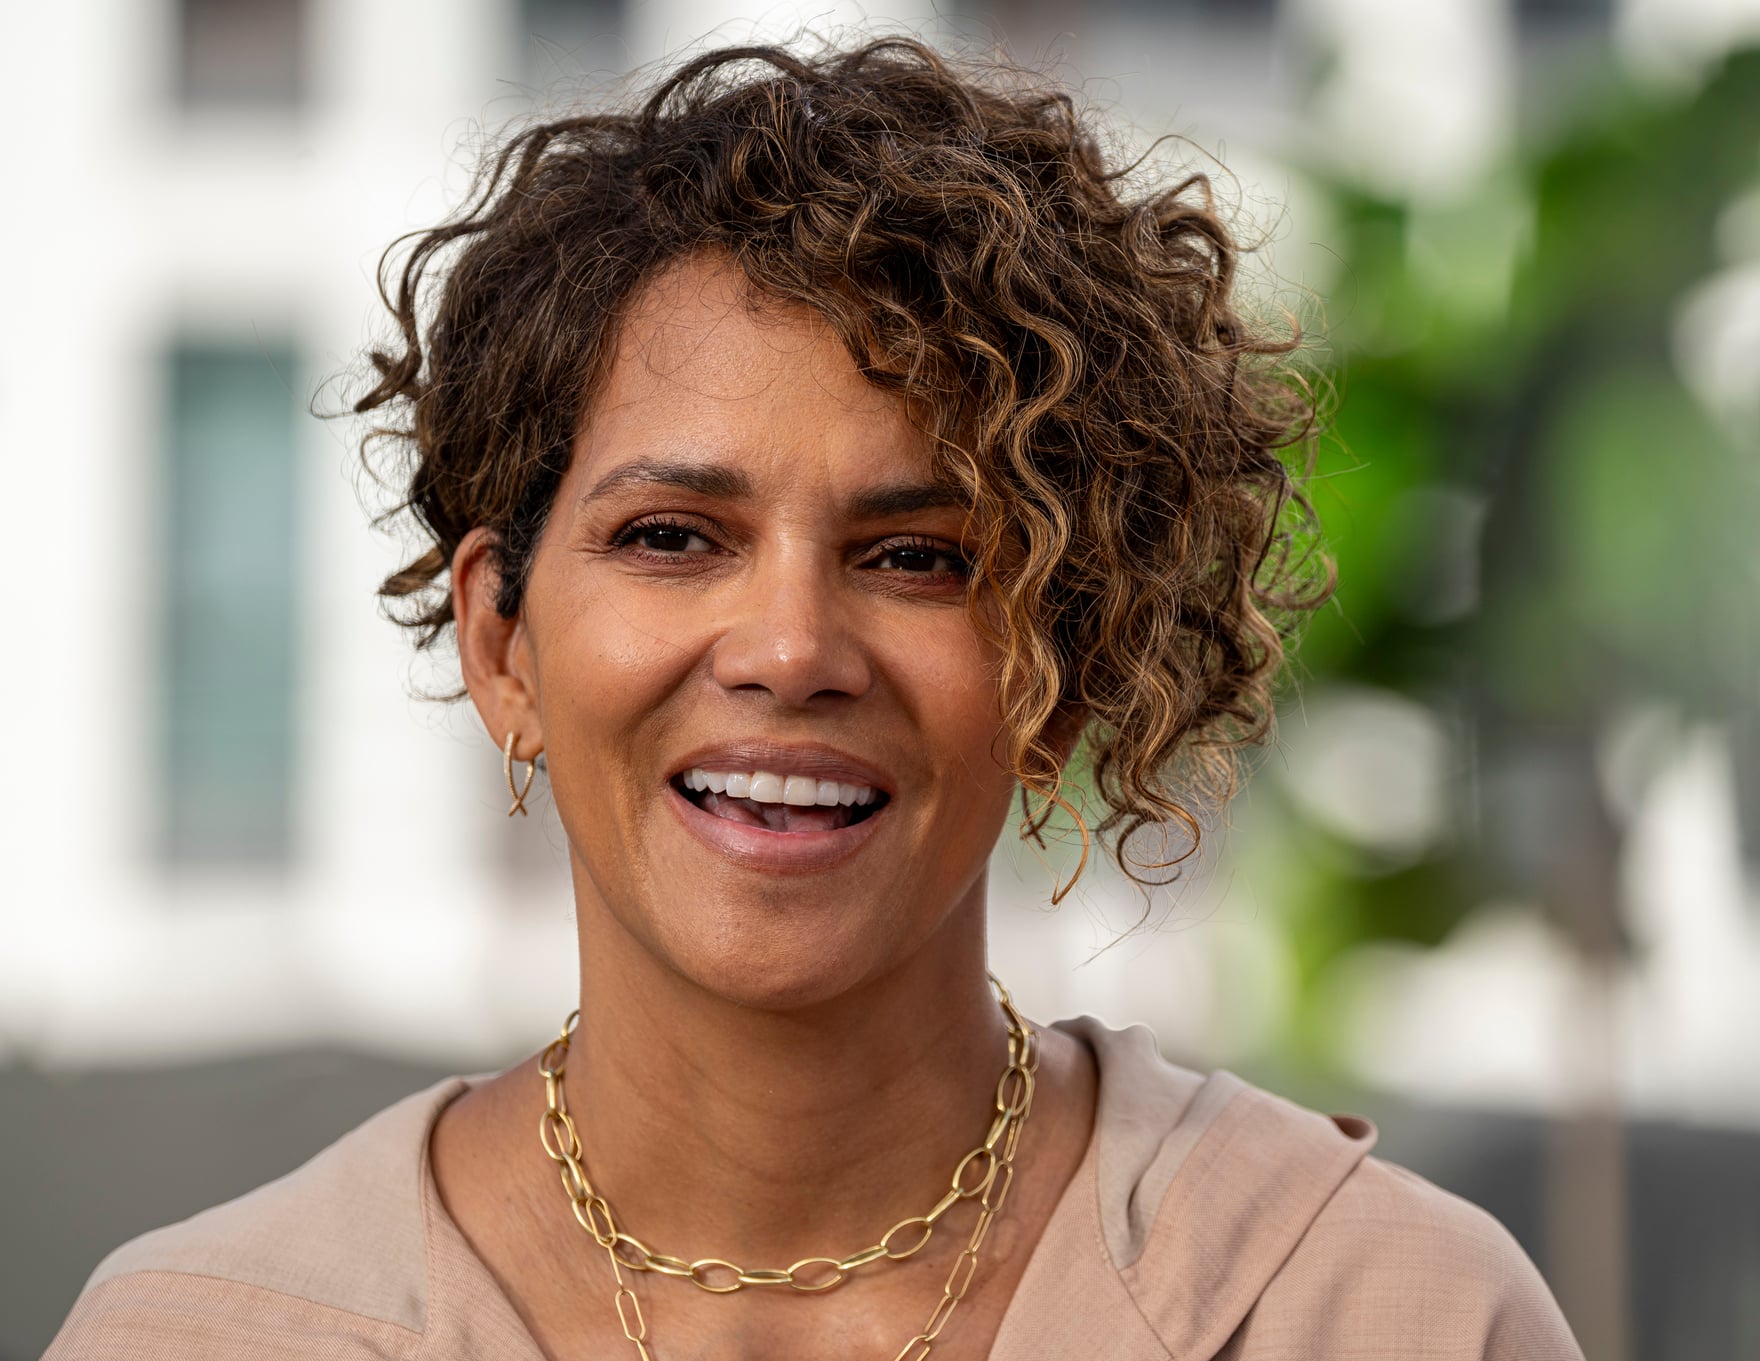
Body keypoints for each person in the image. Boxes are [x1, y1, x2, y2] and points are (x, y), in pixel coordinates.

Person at [45, 36, 1582, 1361]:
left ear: (1061, 664)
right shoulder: (208, 1330)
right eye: (672, 537)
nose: (791, 647)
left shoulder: (1382, 1314)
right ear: (502, 646)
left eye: (917, 554)